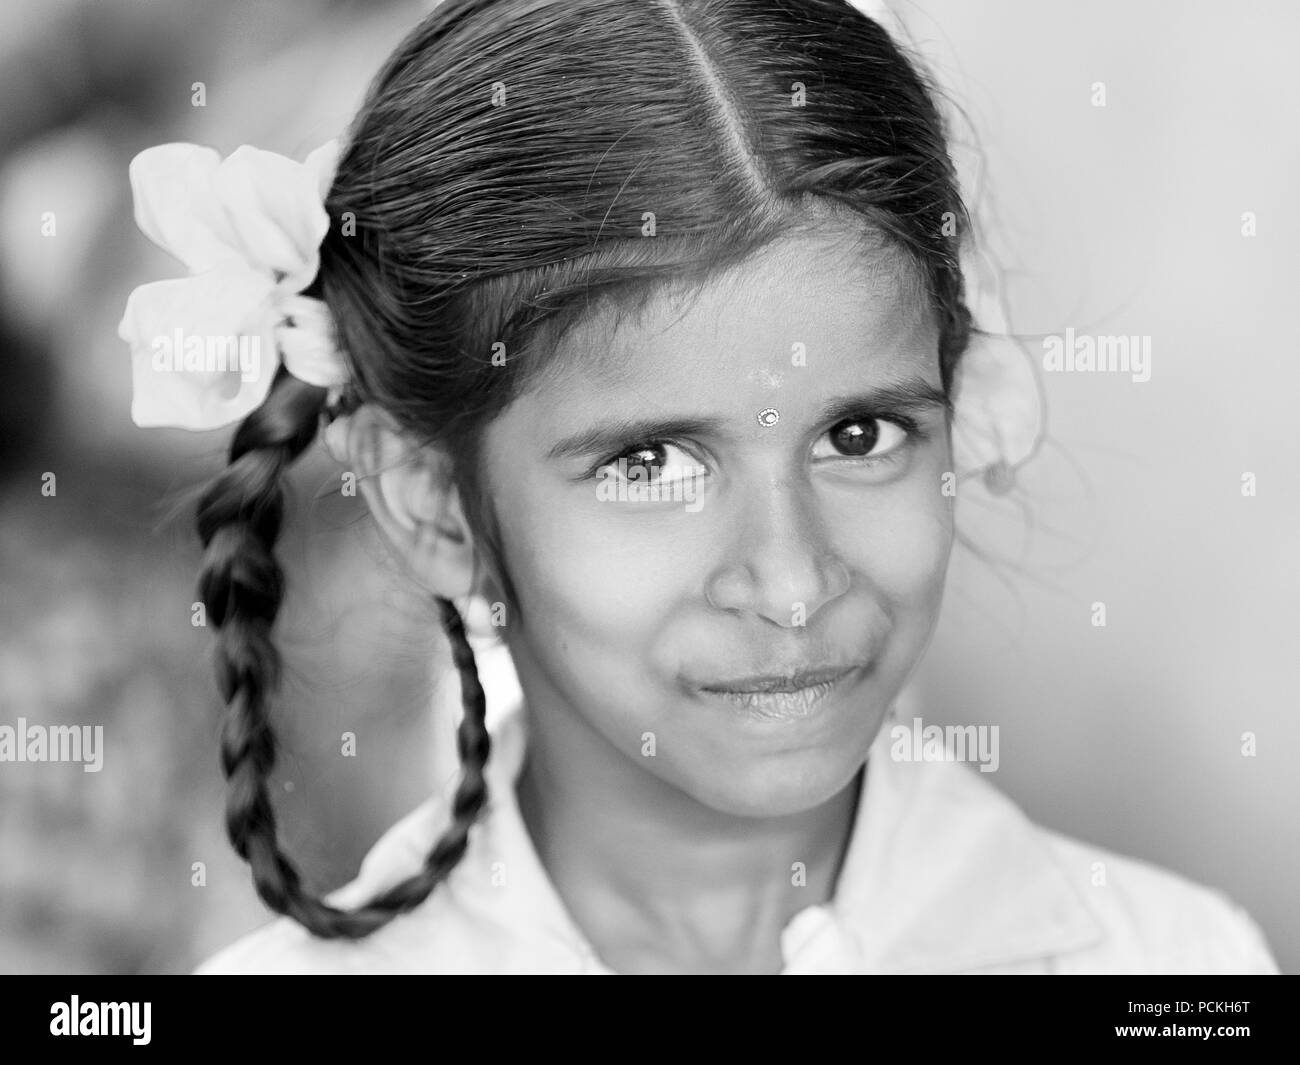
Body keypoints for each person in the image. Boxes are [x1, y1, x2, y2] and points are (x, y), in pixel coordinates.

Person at [118, 0, 1278, 974]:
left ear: (961, 408)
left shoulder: (1174, 966)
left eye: (861, 434)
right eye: (649, 464)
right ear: (429, 500)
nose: (788, 585)